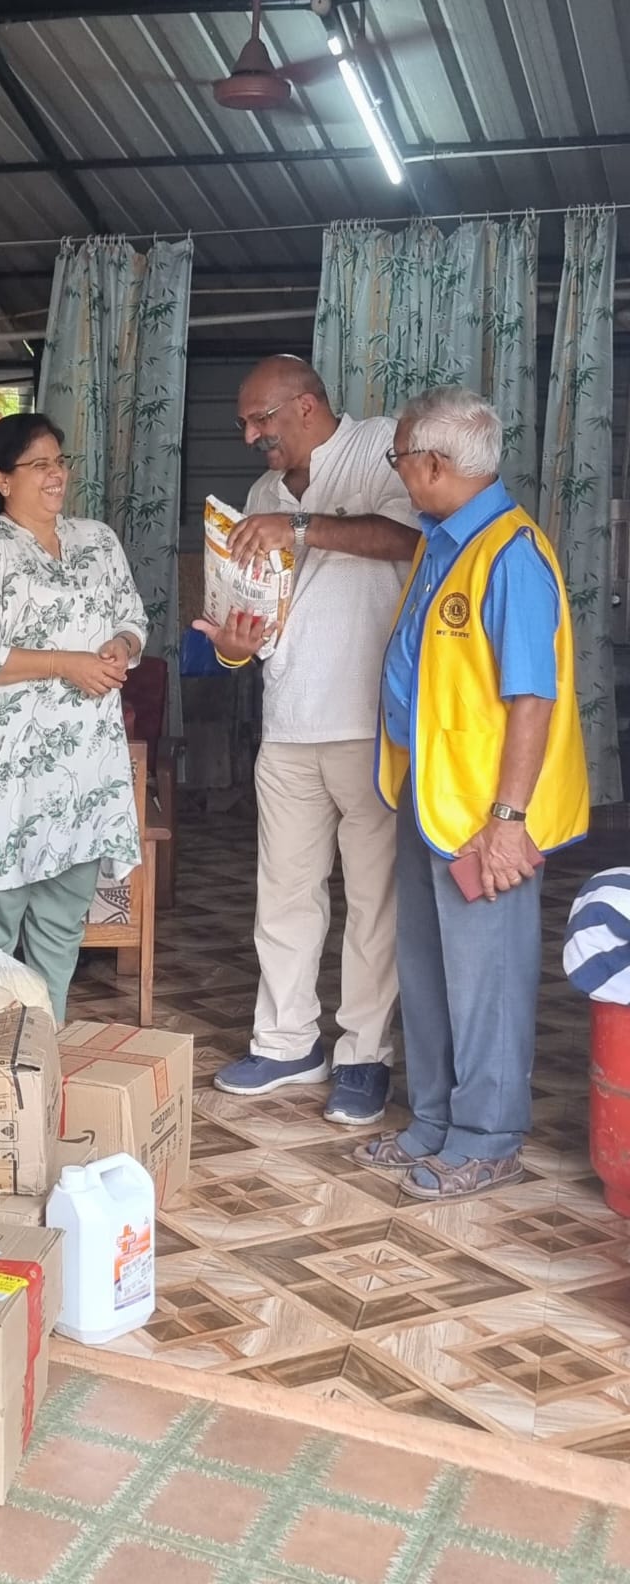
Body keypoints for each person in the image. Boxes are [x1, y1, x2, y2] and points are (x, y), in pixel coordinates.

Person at [358, 386, 588, 1200]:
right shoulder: (444, 541)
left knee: (486, 978)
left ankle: (488, 1136)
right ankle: (433, 1121)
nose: (399, 473)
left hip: (485, 814)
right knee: (426, 970)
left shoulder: (510, 554)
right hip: (432, 797)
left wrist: (509, 820)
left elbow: (534, 696)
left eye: (400, 459)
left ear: (434, 464)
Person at [195, 355, 419, 1125]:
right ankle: (288, 1041)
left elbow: (407, 537)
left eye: (263, 420)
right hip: (287, 721)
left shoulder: (380, 447)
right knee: (283, 896)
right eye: (245, 424)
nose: (253, 435)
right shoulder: (260, 495)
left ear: (309, 405)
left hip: (366, 722)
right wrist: (233, 640)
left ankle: (362, 1055)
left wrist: (297, 525)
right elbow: (261, 619)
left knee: (371, 900)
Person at [0, 413, 148, 1026]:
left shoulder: (98, 541)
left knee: (63, 921)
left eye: (60, 461)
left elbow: (133, 615)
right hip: (5, 766)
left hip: (84, 762)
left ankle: (43, 1052)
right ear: (2, 479)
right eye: (39, 464)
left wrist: (120, 646)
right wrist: (68, 664)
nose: (56, 474)